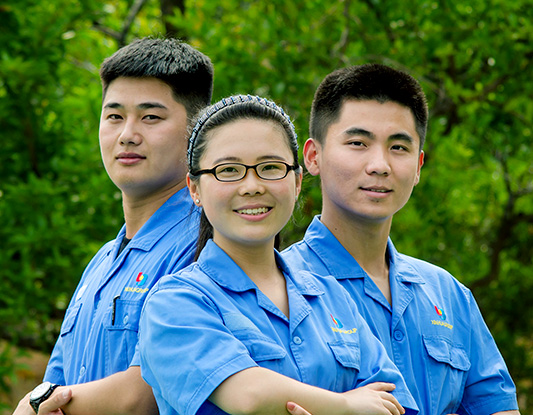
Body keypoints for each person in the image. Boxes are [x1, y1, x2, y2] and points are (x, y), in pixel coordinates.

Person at [138, 94, 419, 415]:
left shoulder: (332, 297)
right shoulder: (173, 304)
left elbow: (394, 403)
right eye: (229, 170)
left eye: (270, 167)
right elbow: (249, 396)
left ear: (297, 181)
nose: (252, 186)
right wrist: (347, 404)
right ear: (194, 189)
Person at [282, 64, 520, 415]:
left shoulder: (449, 295)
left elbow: (497, 407)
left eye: (398, 147)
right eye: (358, 143)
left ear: (419, 165)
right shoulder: (277, 287)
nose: (380, 165)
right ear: (313, 157)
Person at [12, 37, 214, 415]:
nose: (127, 135)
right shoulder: (102, 262)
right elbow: (57, 380)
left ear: (196, 133)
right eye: (115, 116)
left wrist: (36, 405)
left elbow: (147, 392)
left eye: (150, 117)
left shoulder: (208, 244)